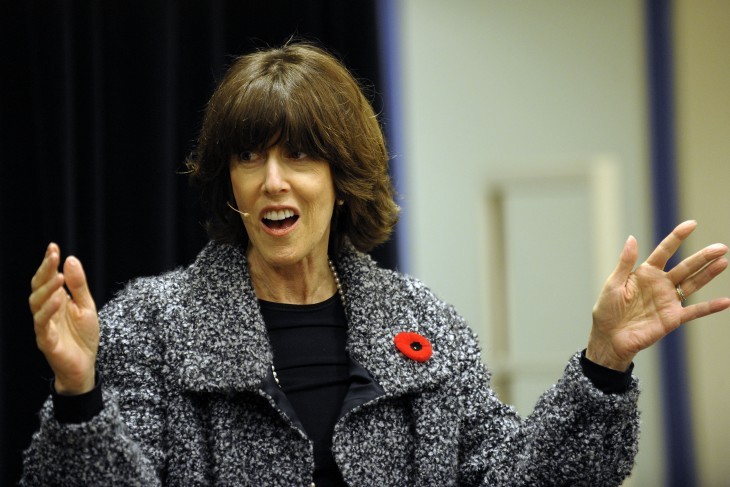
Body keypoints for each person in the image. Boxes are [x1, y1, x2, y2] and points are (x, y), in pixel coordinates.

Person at [23, 42, 730, 486]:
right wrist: (78, 392)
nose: (272, 180)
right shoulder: (150, 323)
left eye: (298, 154)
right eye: (248, 156)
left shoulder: (421, 320)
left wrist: (603, 363)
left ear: (341, 173)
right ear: (227, 181)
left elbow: (516, 475)